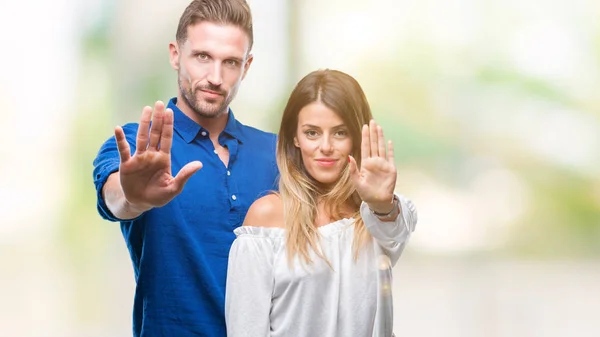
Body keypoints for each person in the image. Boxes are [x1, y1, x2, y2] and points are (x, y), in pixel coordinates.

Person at [92, 1, 279, 336]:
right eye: (203, 56)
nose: (216, 78)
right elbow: (116, 198)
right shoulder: (138, 144)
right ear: (176, 55)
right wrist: (134, 197)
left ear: (247, 66)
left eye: (231, 62)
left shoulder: (277, 152)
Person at [225, 69, 418, 337]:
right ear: (295, 137)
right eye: (312, 133)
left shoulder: (377, 218)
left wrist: (381, 204)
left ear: (356, 137)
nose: (325, 147)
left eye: (340, 133)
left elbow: (398, 227)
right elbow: (244, 330)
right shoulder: (266, 218)